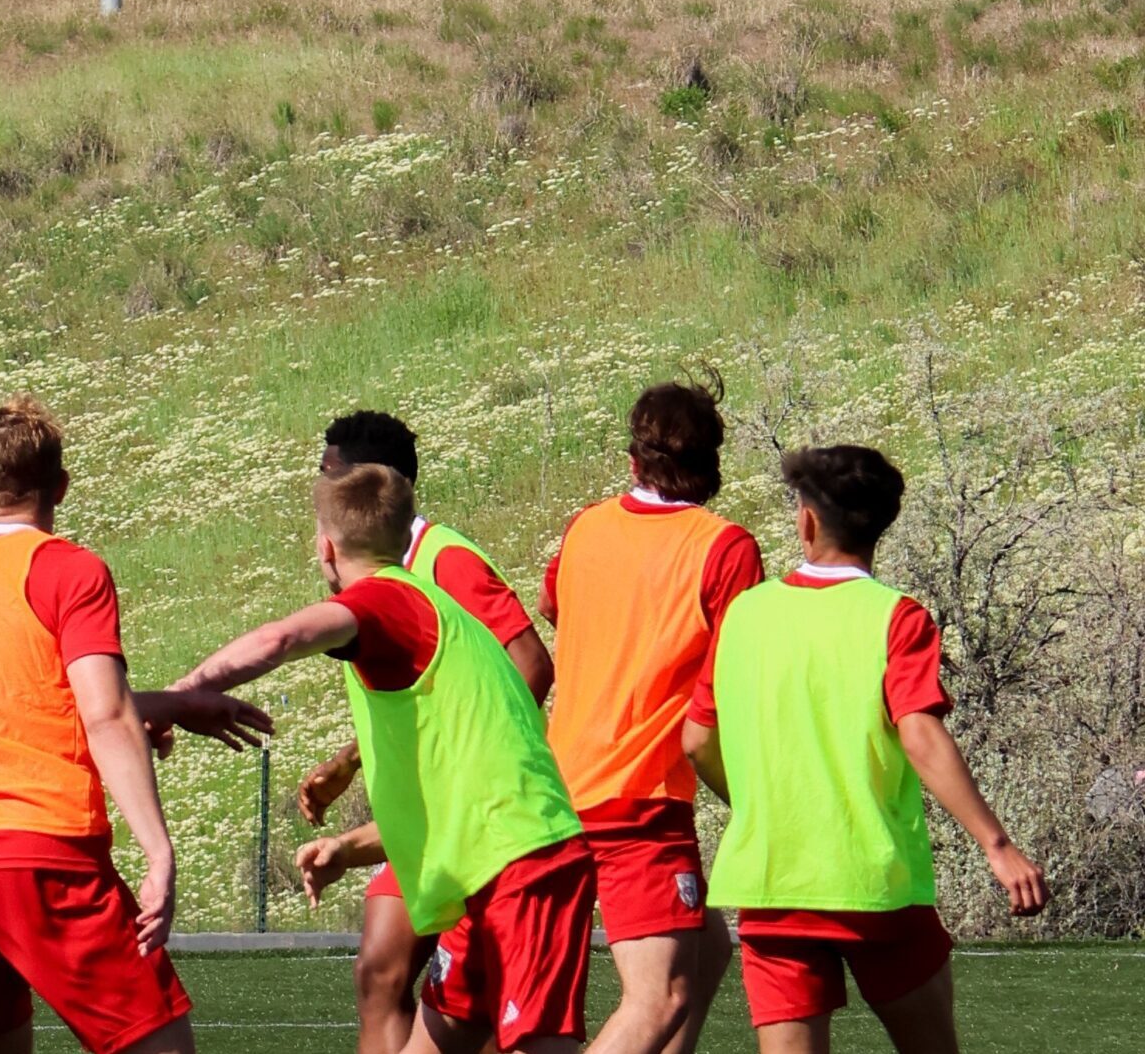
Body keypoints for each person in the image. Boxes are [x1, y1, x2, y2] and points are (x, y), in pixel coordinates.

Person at [176, 464, 595, 1054]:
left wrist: (177, 696)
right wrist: (348, 849)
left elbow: (280, 639)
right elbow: (457, 792)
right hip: (485, 870)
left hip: (524, 867)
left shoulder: (390, 601)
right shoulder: (427, 612)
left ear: (325, 546)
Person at [0, 398, 269, 1054]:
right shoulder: (70, 570)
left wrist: (172, 705)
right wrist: (159, 853)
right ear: (62, 488)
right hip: (42, 858)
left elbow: (21, 702)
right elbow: (102, 713)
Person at [685, 446, 1048, 1054]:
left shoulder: (744, 615)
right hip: (872, 882)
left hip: (772, 883)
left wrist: (756, 802)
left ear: (805, 520)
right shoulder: (895, 617)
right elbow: (920, 731)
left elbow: (696, 742)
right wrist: (998, 845)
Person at [292, 413, 554, 1054]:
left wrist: (469, 764)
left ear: (370, 482)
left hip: (473, 818)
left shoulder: (447, 559)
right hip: (425, 818)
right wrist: (351, 760)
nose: (319, 485)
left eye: (329, 472)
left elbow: (529, 665)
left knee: (437, 986)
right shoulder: (376, 571)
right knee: (383, 973)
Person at [541, 381, 763, 1054]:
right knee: (660, 995)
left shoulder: (586, 526)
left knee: (705, 955)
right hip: (639, 798)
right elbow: (739, 678)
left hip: (556, 785)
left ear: (634, 460)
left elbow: (556, 606)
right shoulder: (724, 549)